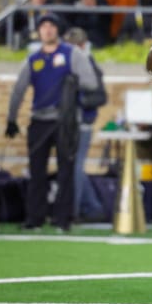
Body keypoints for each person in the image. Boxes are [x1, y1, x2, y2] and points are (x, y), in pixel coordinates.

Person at [6, 13, 99, 231]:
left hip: (65, 121)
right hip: (39, 120)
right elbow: (18, 90)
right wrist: (12, 118)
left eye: (51, 26)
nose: (47, 30)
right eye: (43, 26)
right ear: (39, 32)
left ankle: (62, 219)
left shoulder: (72, 54)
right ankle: (34, 218)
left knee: (65, 170)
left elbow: (91, 82)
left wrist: (73, 83)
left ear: (57, 30)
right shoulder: (34, 59)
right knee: (36, 171)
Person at [63, 27, 106, 222]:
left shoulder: (86, 64)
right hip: (74, 122)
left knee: (75, 167)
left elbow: (100, 95)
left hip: (81, 122)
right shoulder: (87, 62)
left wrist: (77, 102)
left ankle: (73, 210)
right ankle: (94, 207)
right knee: (74, 167)